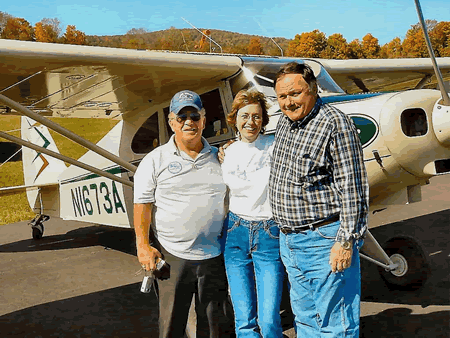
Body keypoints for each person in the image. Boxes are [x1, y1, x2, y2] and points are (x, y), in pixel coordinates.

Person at [269, 62, 369, 337]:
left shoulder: (334, 124)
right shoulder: (285, 123)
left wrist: (346, 241)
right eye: (282, 96)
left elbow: (353, 188)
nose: (288, 102)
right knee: (305, 319)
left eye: (294, 93)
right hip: (289, 241)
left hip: (324, 240)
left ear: (312, 88)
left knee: (336, 323)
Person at [133, 90, 229, 338]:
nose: (189, 121)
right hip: (173, 255)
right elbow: (142, 204)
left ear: (204, 120)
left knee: (214, 328)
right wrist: (143, 245)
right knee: (171, 327)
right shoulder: (155, 160)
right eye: (182, 116)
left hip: (214, 256)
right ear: (171, 122)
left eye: (194, 116)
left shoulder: (221, 158)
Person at [221, 89, 285, 337]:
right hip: (235, 233)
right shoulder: (225, 153)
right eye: (245, 116)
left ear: (264, 120)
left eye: (257, 116)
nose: (251, 122)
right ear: (235, 118)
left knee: (269, 321)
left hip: (269, 233)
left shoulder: (274, 145)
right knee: (244, 322)